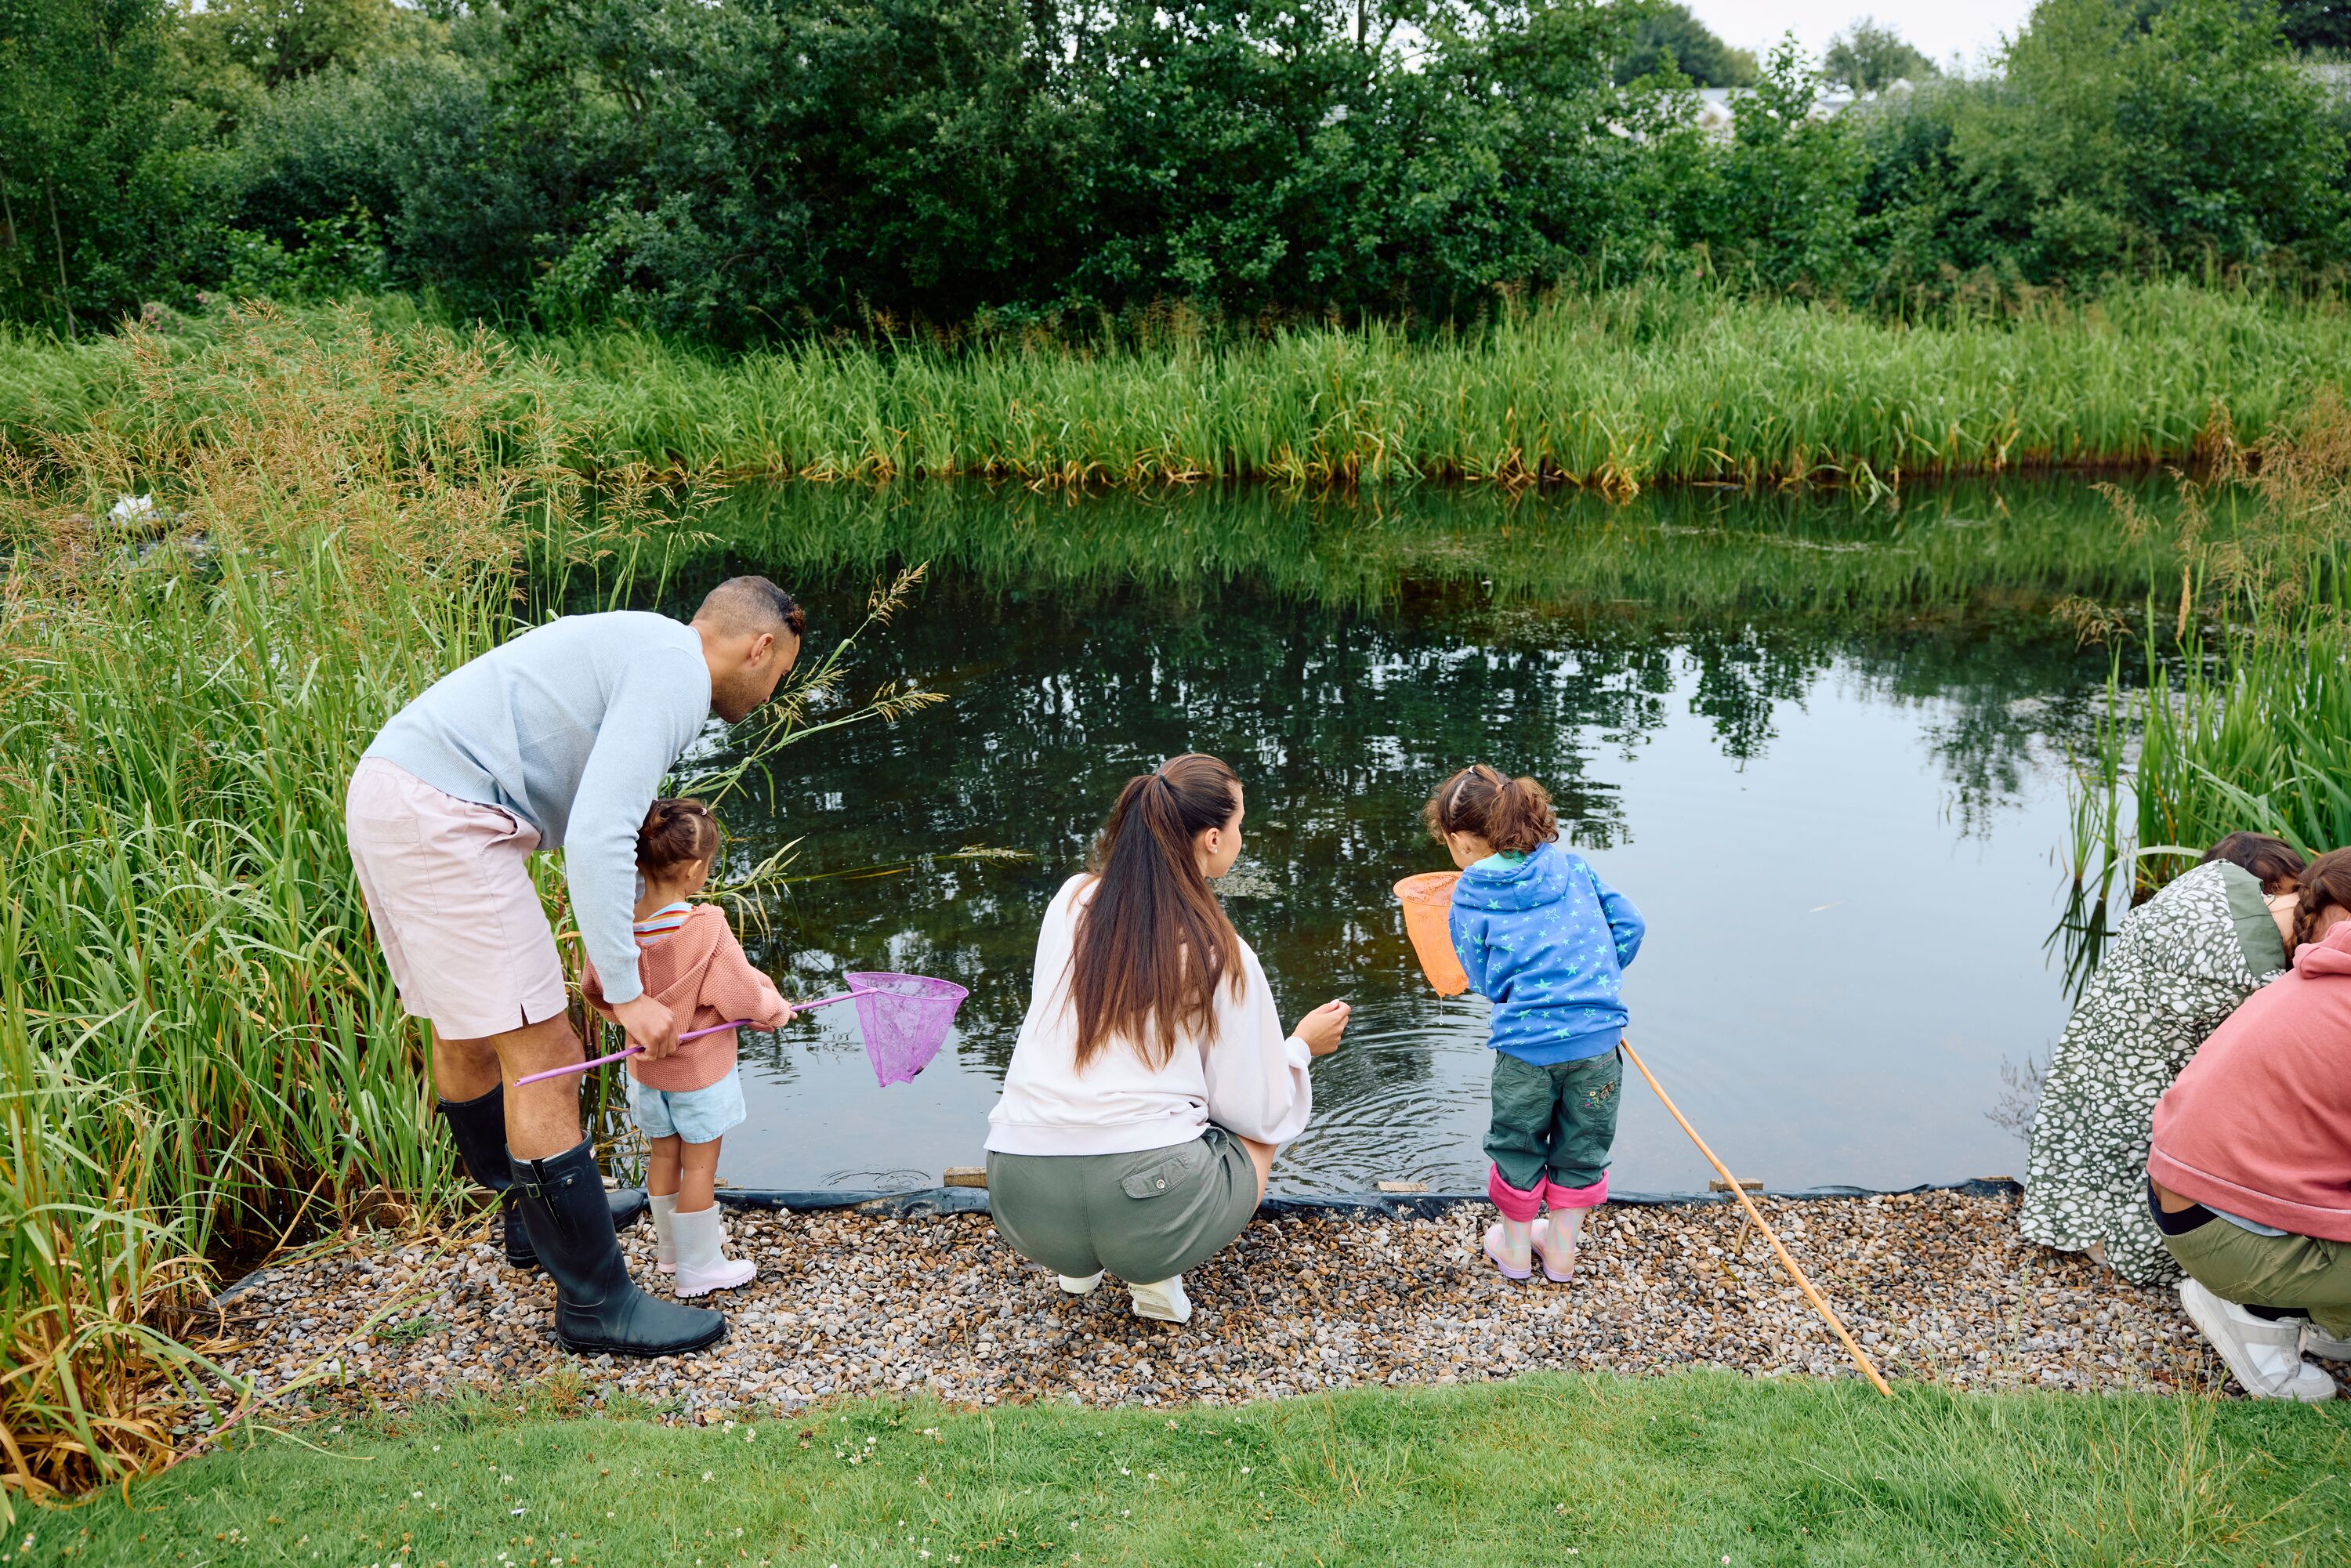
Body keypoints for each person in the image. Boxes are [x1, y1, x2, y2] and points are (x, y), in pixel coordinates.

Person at [345, 578, 802, 1356]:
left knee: (467, 1034)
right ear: (760, 648)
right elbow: (596, 837)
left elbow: (602, 833)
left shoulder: (649, 646)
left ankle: (530, 1217)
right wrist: (627, 996)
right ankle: (595, 1303)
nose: (772, 693)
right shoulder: (676, 674)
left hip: (398, 793)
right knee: (546, 1057)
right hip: (449, 818)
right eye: (781, 675)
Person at [984, 753, 1352, 1325]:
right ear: (1211, 838)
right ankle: (1151, 1266)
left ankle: (1076, 1262)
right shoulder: (1219, 948)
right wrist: (1300, 1047)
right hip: (1145, 1207)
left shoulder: (1070, 901)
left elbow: (1048, 1025)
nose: (1241, 838)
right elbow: (1255, 1106)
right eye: (1239, 826)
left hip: (1020, 1197)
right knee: (1257, 1128)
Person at [2020, 832, 2307, 1284]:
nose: (2291, 906)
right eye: (2280, 892)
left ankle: (2091, 1227)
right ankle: (2128, 1241)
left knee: (2110, 1146)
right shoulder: (2242, 972)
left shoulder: (2161, 929)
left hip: (2102, 1087)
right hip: (2147, 1119)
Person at [1426, 764, 1645, 1284]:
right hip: (1597, 1045)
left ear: (1460, 840)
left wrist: (1510, 988)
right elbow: (1631, 924)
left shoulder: (1471, 893)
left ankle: (1518, 1253)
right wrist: (1599, 979)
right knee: (1581, 1146)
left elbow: (1481, 978)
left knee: (1518, 1144)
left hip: (1525, 1051)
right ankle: (1563, 1254)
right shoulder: (1572, 867)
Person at [2147, 847, 2351, 1402]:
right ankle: (2255, 1319)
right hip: (2220, 1226)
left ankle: (2323, 1314)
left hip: (2183, 1199)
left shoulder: (2317, 975)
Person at [583, 798, 790, 1297]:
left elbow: (595, 988)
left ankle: (675, 1248)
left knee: (663, 1157)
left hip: (647, 1075)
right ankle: (699, 1268)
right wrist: (771, 1011)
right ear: (695, 870)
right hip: (700, 1075)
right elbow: (737, 993)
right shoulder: (707, 926)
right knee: (700, 1165)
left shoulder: (616, 928)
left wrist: (631, 1022)